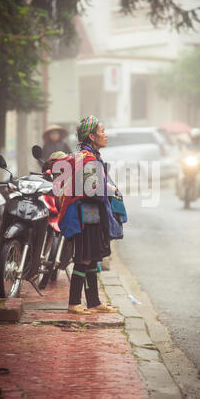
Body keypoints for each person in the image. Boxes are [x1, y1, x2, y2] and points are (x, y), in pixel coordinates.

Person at [53, 116, 125, 314]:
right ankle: (74, 303)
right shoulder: (88, 158)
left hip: (91, 214)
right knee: (84, 257)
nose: (105, 134)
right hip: (85, 215)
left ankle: (93, 302)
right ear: (92, 136)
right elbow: (92, 190)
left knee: (93, 258)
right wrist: (110, 190)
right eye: (102, 131)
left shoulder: (90, 156)